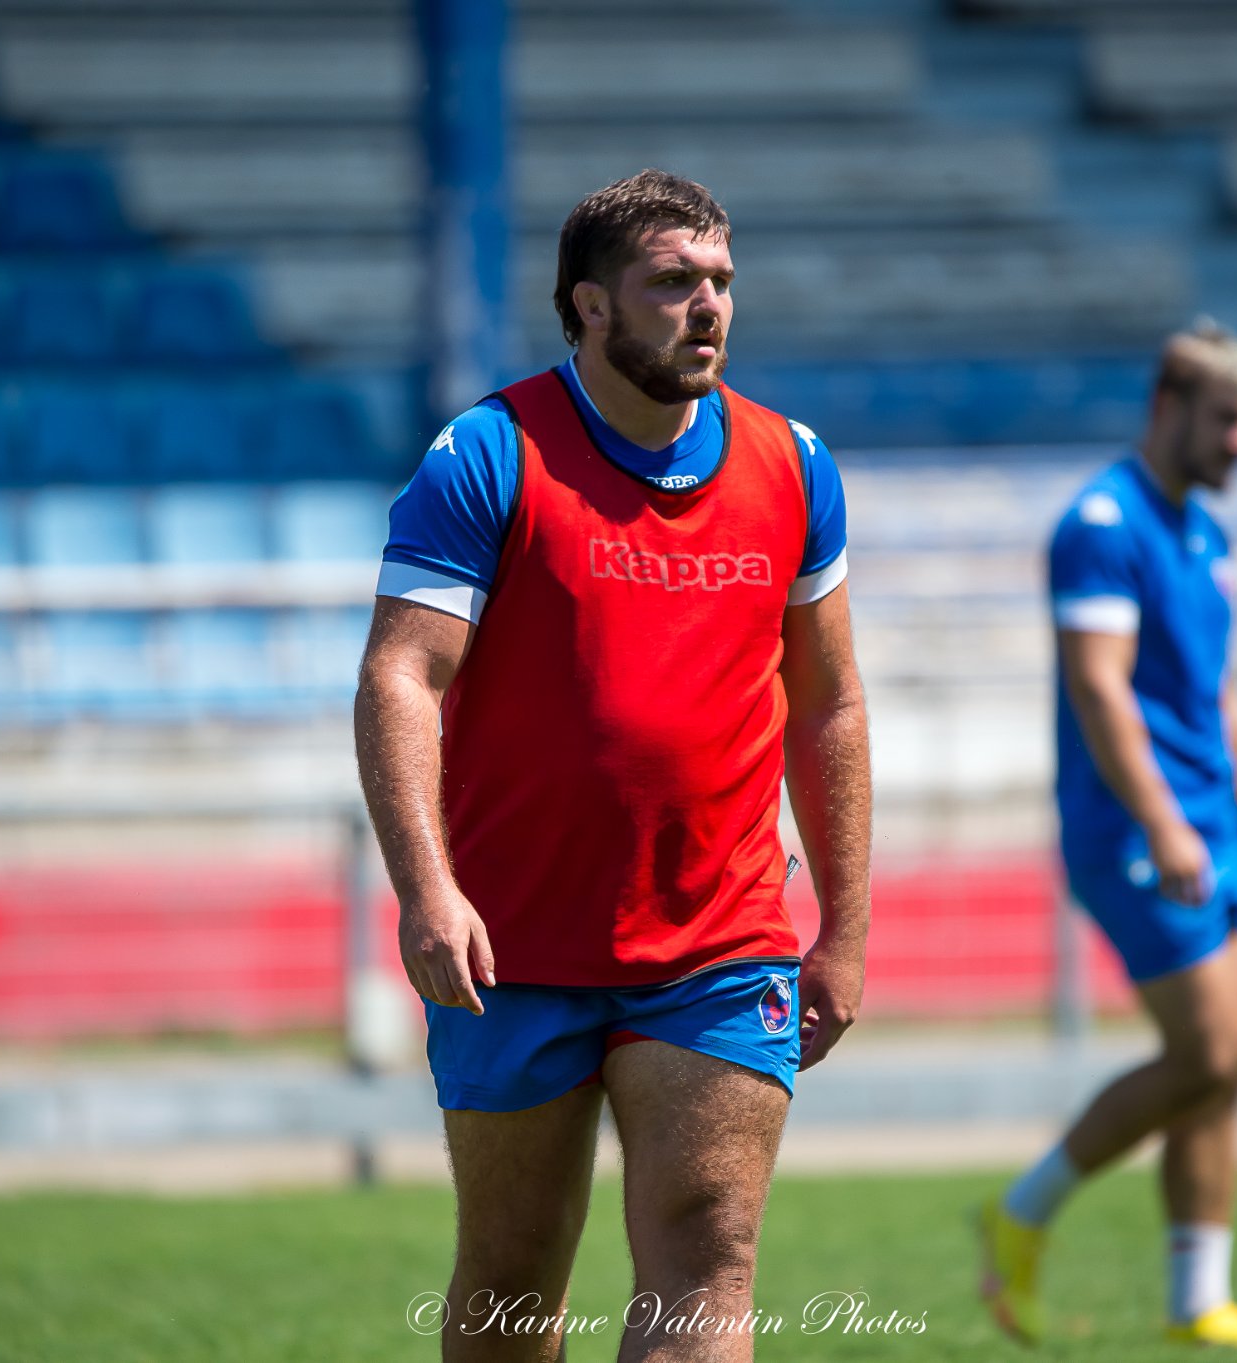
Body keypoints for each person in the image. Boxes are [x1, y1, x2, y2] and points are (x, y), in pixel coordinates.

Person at [355, 169, 872, 1363]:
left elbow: (830, 704)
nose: (708, 308)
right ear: (588, 305)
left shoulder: (791, 465)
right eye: (671, 283)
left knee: (708, 1254)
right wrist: (426, 891)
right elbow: (399, 678)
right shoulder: (486, 454)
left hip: (717, 935)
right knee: (511, 1281)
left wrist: (840, 922)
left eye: (721, 282)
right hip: (513, 942)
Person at [976, 322, 1237, 1354]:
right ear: (1166, 407)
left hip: (1214, 835)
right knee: (1206, 1049)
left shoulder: (1202, 533)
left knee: (1225, 1065)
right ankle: (1019, 1212)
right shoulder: (1099, 522)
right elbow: (1098, 686)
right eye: (1228, 419)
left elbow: (1214, 702)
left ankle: (1196, 1301)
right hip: (1135, 831)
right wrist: (1165, 822)